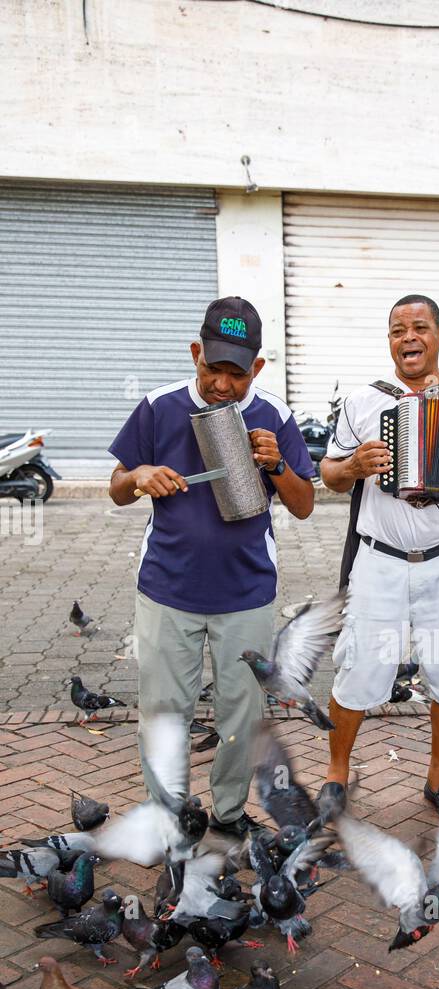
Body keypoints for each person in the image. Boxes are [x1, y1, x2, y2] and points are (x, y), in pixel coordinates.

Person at [108, 296, 316, 837]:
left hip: (246, 593)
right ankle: (168, 816)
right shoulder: (159, 406)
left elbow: (303, 505)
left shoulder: (274, 416)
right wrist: (139, 475)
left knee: (242, 713)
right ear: (194, 353)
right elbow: (117, 488)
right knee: (163, 710)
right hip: (167, 588)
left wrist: (277, 464)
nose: (223, 384)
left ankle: (227, 814)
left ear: (258, 368)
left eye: (237, 374)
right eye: (212, 368)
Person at [319, 294, 439, 818]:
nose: (409, 337)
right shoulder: (363, 401)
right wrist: (354, 466)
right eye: (398, 330)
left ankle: (438, 778)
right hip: (378, 560)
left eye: (420, 327)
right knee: (358, 666)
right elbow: (329, 475)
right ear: (389, 341)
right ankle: (336, 773)